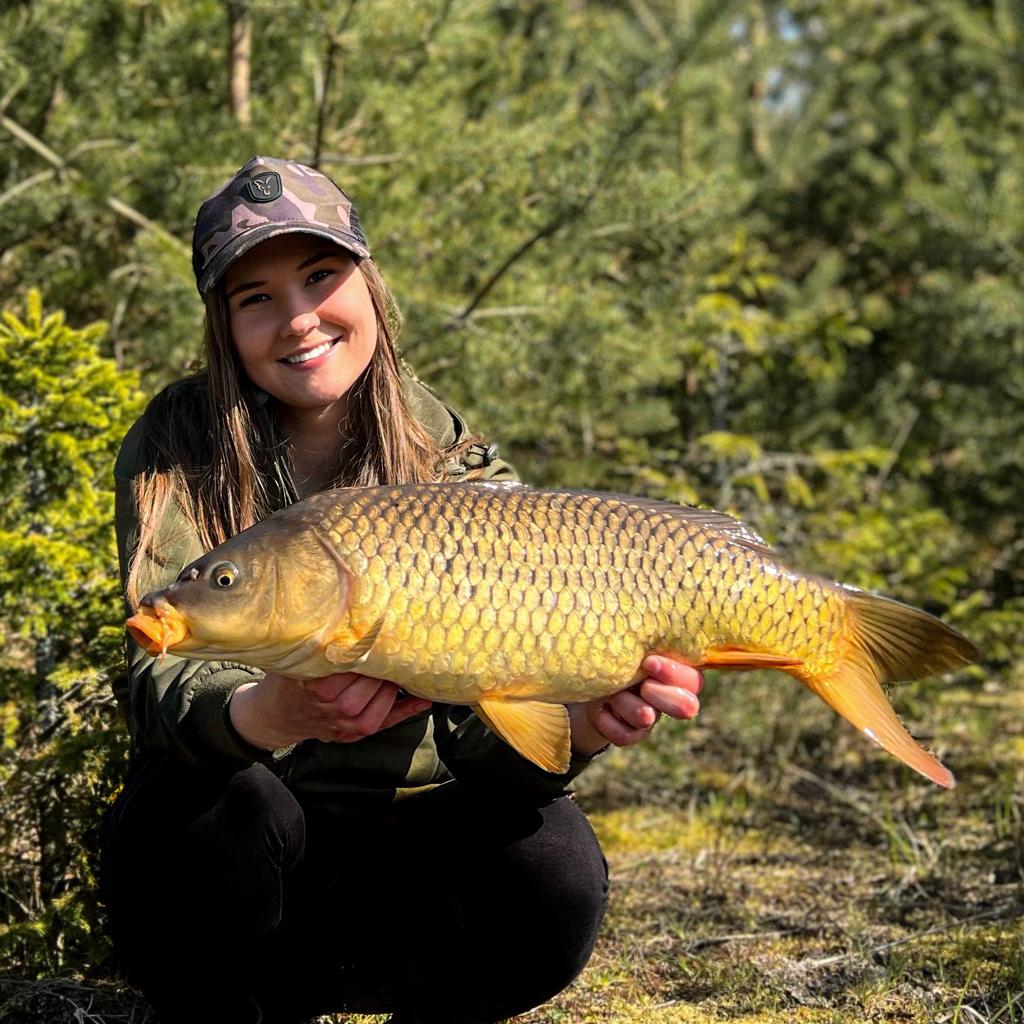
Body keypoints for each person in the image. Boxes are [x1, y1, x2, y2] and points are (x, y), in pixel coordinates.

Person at [101, 156, 703, 1024]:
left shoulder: (450, 457)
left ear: (369, 286)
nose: (299, 319)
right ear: (223, 326)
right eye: (255, 298)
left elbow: (490, 739)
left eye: (320, 277)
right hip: (250, 875)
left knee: (553, 862)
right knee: (207, 808)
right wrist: (273, 714)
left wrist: (578, 724)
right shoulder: (177, 443)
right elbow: (159, 678)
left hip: (404, 866)